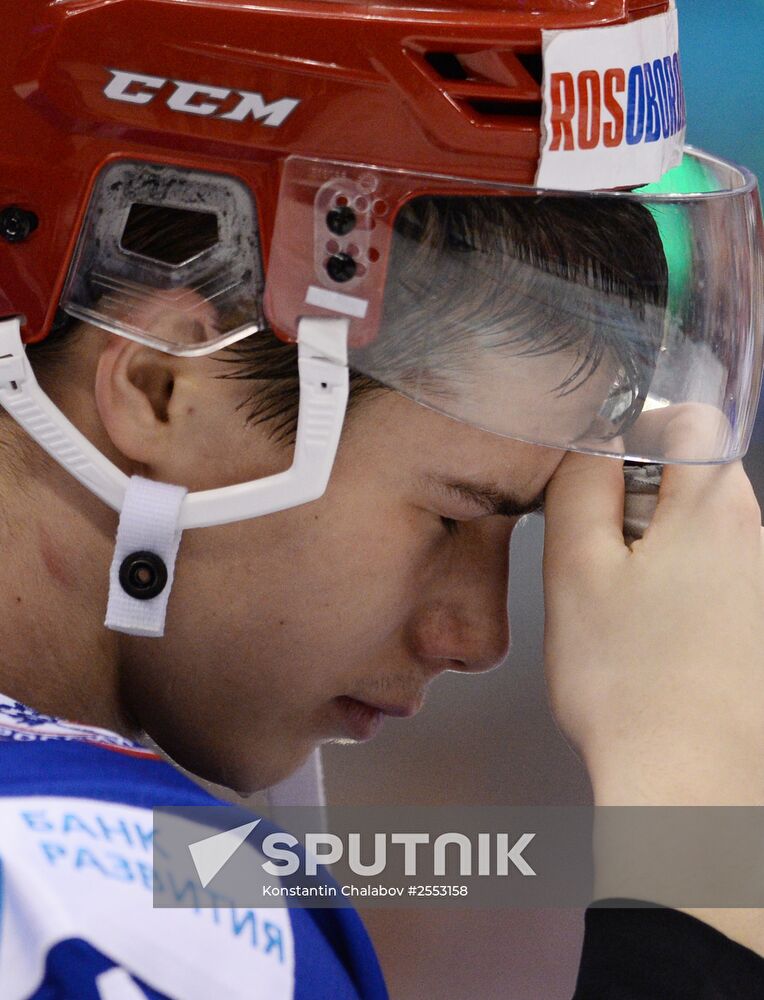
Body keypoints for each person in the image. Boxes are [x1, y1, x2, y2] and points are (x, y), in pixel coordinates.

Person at [0, 0, 763, 997]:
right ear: (162, 384)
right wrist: (697, 833)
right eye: (452, 513)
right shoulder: (108, 909)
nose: (476, 634)